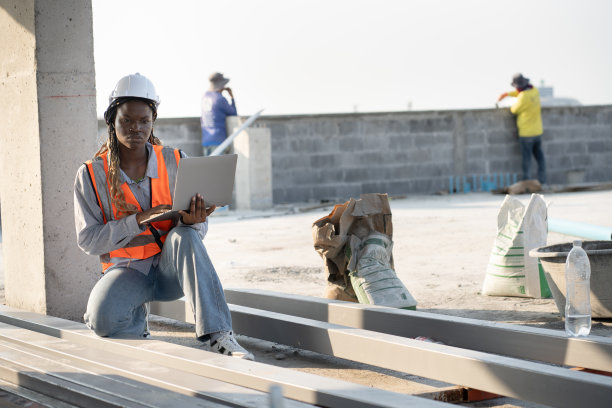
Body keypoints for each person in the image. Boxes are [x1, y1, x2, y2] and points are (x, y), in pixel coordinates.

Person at [73, 73, 253, 360]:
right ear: (111, 121)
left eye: (144, 120)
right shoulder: (91, 175)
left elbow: (196, 234)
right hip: (128, 271)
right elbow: (88, 241)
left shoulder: (175, 160)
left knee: (185, 235)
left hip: (172, 271)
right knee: (100, 320)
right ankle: (135, 321)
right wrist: (138, 219)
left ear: (153, 120)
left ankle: (220, 334)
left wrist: (194, 222)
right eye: (127, 120)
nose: (136, 128)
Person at [498, 73, 547, 186]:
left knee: (527, 160)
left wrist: (507, 97)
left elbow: (514, 110)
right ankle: (543, 182)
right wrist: (507, 94)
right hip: (537, 131)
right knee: (540, 159)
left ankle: (527, 183)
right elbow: (519, 93)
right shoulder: (534, 90)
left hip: (526, 134)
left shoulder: (523, 97)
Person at [201, 72, 237, 156]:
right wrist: (232, 97)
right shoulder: (220, 99)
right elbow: (233, 113)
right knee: (219, 168)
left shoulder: (204, 96)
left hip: (206, 140)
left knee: (208, 168)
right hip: (218, 140)